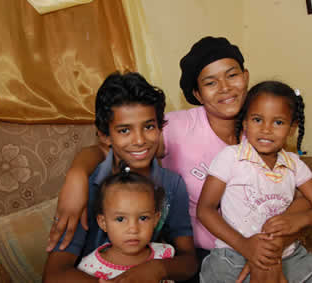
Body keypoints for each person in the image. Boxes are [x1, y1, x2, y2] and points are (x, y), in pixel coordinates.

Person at [47, 36, 312, 281]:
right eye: (210, 82)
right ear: (196, 94)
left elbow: (296, 186)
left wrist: (278, 234)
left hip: (237, 251)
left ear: (246, 76)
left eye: (232, 75)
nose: (140, 138)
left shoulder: (260, 133)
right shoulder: (173, 131)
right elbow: (118, 146)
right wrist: (77, 174)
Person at [42, 72, 198, 283]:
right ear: (105, 136)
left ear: (160, 127)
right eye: (125, 130)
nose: (140, 140)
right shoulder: (86, 186)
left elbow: (189, 260)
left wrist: (158, 268)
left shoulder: (172, 185)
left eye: (149, 127)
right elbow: (54, 274)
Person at [197, 81, 312, 283]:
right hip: (234, 255)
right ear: (245, 123)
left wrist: (300, 220)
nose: (266, 129)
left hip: (288, 255)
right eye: (257, 119)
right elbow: (205, 210)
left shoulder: (294, 165)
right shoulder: (230, 157)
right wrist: (245, 245)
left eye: (278, 122)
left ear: (292, 129)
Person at [77, 160, 174, 282]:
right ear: (103, 222)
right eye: (120, 219)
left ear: (155, 220)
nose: (133, 229)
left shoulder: (165, 255)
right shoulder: (89, 268)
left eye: (143, 218)